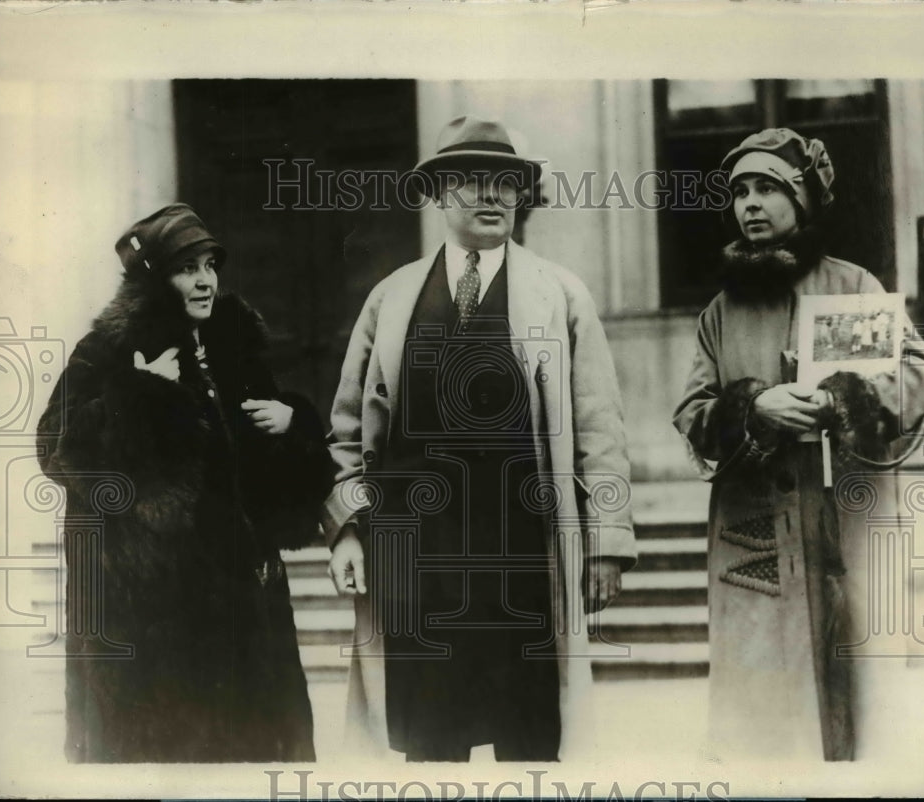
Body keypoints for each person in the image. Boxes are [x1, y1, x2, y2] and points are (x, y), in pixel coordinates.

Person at [322, 115, 636, 762]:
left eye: (504, 183)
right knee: (428, 735)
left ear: (521, 196)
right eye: (469, 183)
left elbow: (600, 430)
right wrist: (348, 529)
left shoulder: (561, 295)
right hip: (416, 552)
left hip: (521, 548)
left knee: (530, 734)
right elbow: (349, 433)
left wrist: (606, 543)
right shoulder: (392, 297)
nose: (490, 197)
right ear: (437, 194)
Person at [36, 204, 333, 762]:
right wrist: (137, 395)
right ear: (152, 278)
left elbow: (273, 479)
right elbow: (54, 448)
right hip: (156, 609)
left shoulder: (233, 347)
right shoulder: (108, 349)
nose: (204, 280)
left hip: (245, 597)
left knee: (252, 754)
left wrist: (295, 422)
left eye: (210, 265)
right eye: (186, 268)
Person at [672, 128, 924, 761]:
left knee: (863, 708)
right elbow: (690, 410)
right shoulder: (720, 312)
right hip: (756, 537)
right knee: (768, 727)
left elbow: (921, 379)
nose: (750, 204)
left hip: (849, 523)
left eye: (768, 188)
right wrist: (752, 406)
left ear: (805, 199)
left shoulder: (855, 287)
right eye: (740, 192)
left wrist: (842, 395)